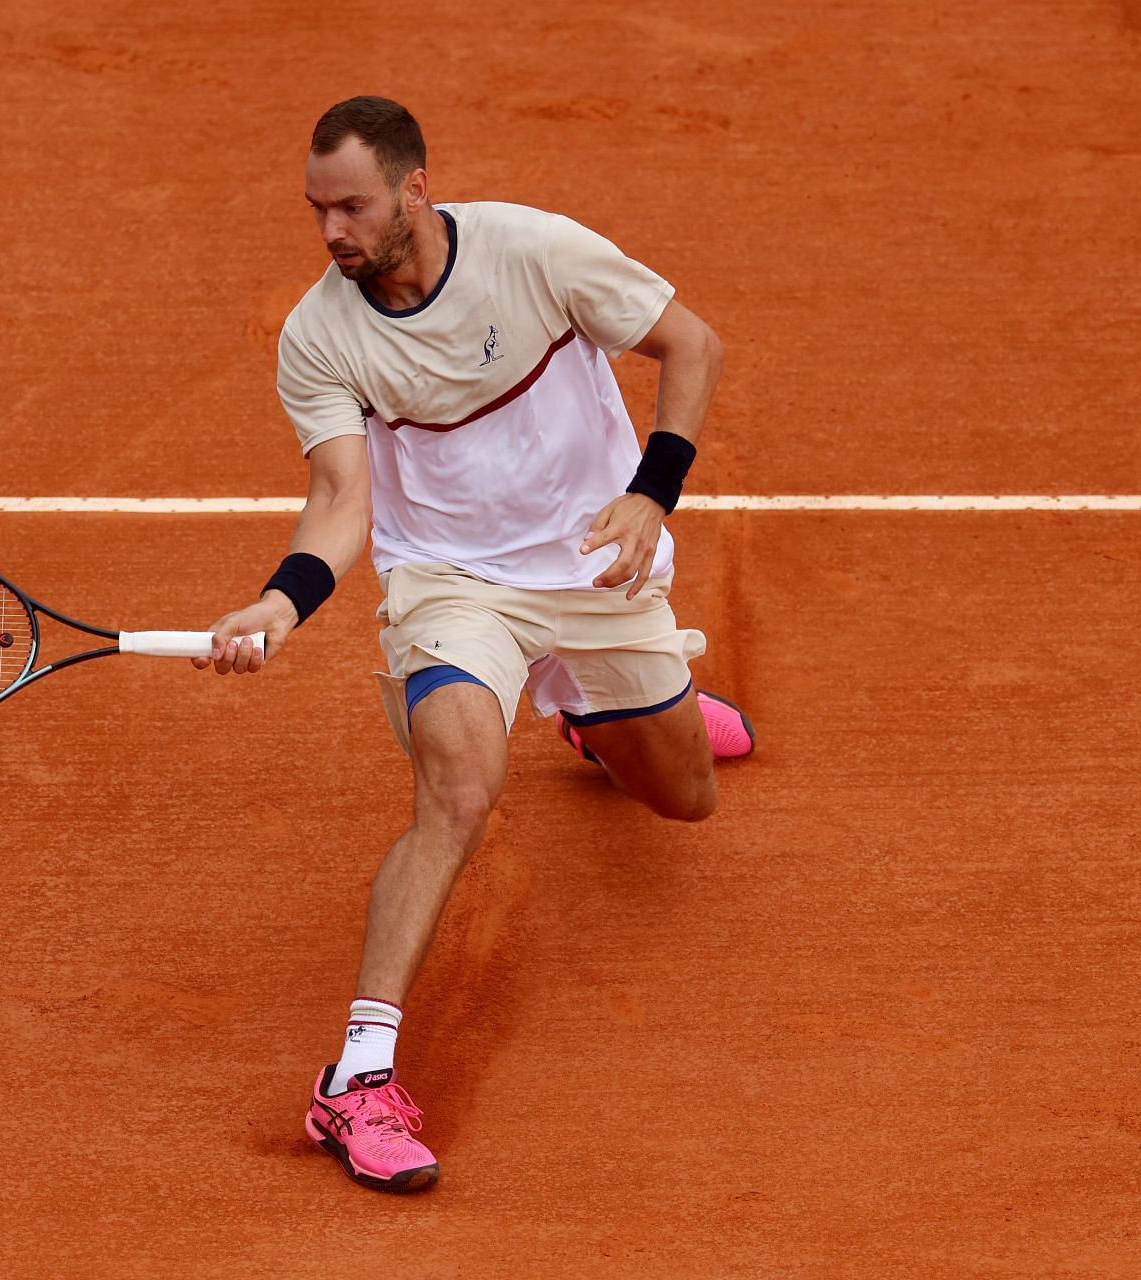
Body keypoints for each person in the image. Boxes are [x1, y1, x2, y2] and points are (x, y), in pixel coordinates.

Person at [193, 96, 755, 1194]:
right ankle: (355, 1079)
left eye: (350, 206)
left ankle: (592, 716)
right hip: (453, 585)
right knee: (458, 788)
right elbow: (341, 502)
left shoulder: (533, 251)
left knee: (686, 796)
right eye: (316, 210)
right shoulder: (320, 333)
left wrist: (652, 494)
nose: (331, 233)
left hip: (594, 563)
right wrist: (281, 601)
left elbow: (692, 342)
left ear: (414, 189)